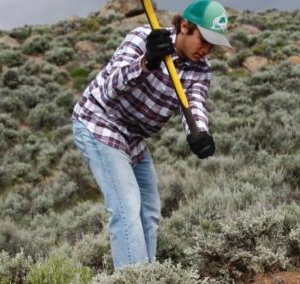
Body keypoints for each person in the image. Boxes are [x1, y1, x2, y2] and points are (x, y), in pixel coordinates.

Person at [71, 0, 231, 269]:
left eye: (212, 44)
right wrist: (147, 61)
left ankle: (147, 273)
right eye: (203, 39)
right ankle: (135, 278)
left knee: (150, 211)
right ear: (184, 26)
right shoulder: (141, 38)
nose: (206, 49)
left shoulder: (201, 69)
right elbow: (111, 87)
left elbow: (194, 104)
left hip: (133, 139)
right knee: (126, 206)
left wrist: (200, 133)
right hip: (99, 121)